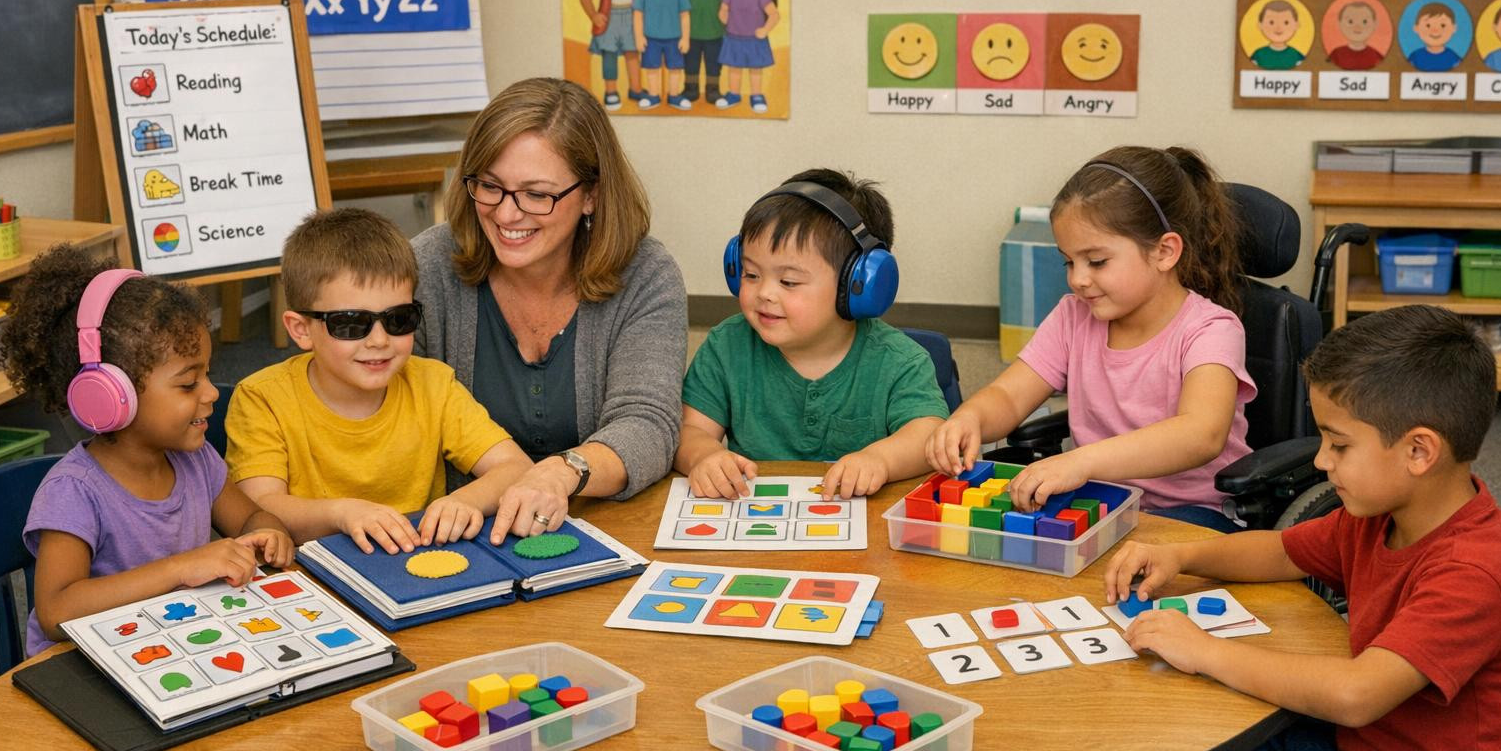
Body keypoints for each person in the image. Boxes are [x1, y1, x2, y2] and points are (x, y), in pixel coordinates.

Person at [1093, 305, 1501, 751]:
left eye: (1339, 445)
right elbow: (1281, 550)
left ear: (1419, 451)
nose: (1321, 460)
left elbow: (1355, 695)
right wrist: (1180, 553)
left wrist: (1203, 650)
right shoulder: (1378, 515)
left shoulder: (1476, 570)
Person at [927, 146, 1254, 533]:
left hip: (1193, 513)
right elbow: (1010, 396)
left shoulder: (1211, 330)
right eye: (1069, 261)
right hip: (1098, 502)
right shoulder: (1072, 316)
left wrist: (1081, 462)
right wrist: (971, 418)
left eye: (1096, 262)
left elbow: (1201, 434)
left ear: (1165, 252)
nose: (1077, 279)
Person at [0, 246, 293, 659]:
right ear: (108, 396)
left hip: (167, 647)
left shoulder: (196, 459)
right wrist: (180, 568)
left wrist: (267, 533)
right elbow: (56, 611)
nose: (210, 394)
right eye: (188, 384)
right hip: (86, 668)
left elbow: (248, 517)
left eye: (206, 374)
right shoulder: (74, 491)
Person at [413, 77, 687, 521]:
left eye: (536, 194)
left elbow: (648, 425)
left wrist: (560, 474)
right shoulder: (426, 267)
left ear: (591, 196)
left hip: (595, 523)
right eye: (489, 185)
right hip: (448, 531)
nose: (505, 214)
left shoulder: (646, 273)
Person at [227, 208, 548, 544]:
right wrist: (343, 514)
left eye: (398, 319)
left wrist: (464, 501)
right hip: (311, 576)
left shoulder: (433, 384)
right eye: (351, 323)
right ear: (301, 329)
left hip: (418, 565)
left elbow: (516, 467)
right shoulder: (261, 398)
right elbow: (260, 510)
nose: (379, 341)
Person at [676, 168, 948, 499]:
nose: (765, 293)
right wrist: (704, 456)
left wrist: (880, 459)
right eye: (750, 274)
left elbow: (930, 435)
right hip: (758, 518)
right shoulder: (727, 346)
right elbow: (689, 431)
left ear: (858, 286)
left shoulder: (900, 362)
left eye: (788, 281)